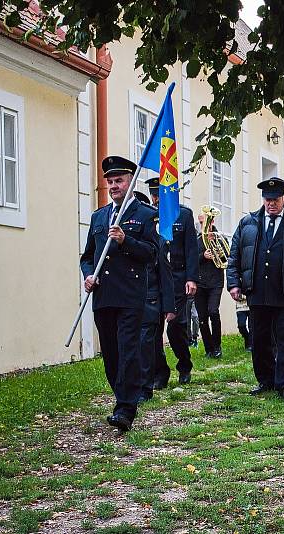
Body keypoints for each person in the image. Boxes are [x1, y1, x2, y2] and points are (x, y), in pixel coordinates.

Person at [80, 156, 159, 431]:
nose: (114, 186)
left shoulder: (145, 215)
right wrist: (88, 275)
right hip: (104, 296)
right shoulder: (99, 217)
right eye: (110, 182)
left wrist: (126, 241)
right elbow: (87, 256)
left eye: (119, 181)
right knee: (111, 355)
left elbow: (151, 253)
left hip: (130, 294)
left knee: (128, 351)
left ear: (130, 182)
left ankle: (126, 408)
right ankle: (122, 396)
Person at [226, 177, 284, 401]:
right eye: (267, 199)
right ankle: (265, 380)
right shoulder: (248, 222)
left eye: (275, 200)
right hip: (257, 291)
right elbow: (235, 254)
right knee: (260, 338)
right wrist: (234, 282)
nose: (271, 204)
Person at [146, 177, 199, 388]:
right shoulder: (148, 217)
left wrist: (191, 278)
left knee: (176, 327)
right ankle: (160, 372)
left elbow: (191, 250)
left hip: (177, 279)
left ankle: (184, 364)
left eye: (161, 194)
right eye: (155, 195)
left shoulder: (183, 215)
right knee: (153, 328)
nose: (157, 199)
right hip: (154, 280)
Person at [133, 191, 176, 404]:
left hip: (152, 301)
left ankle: (148, 382)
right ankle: (154, 374)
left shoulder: (157, 241)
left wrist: (169, 306)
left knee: (149, 343)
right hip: (132, 299)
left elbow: (165, 274)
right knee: (144, 344)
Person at [195, 212, 225, 358]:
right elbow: (192, 260)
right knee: (202, 317)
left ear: (212, 221)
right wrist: (203, 256)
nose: (203, 227)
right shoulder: (197, 240)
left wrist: (218, 253)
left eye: (205, 223)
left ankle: (217, 346)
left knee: (213, 311)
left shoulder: (220, 238)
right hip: (200, 283)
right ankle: (208, 348)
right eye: (201, 224)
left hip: (215, 282)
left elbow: (227, 258)